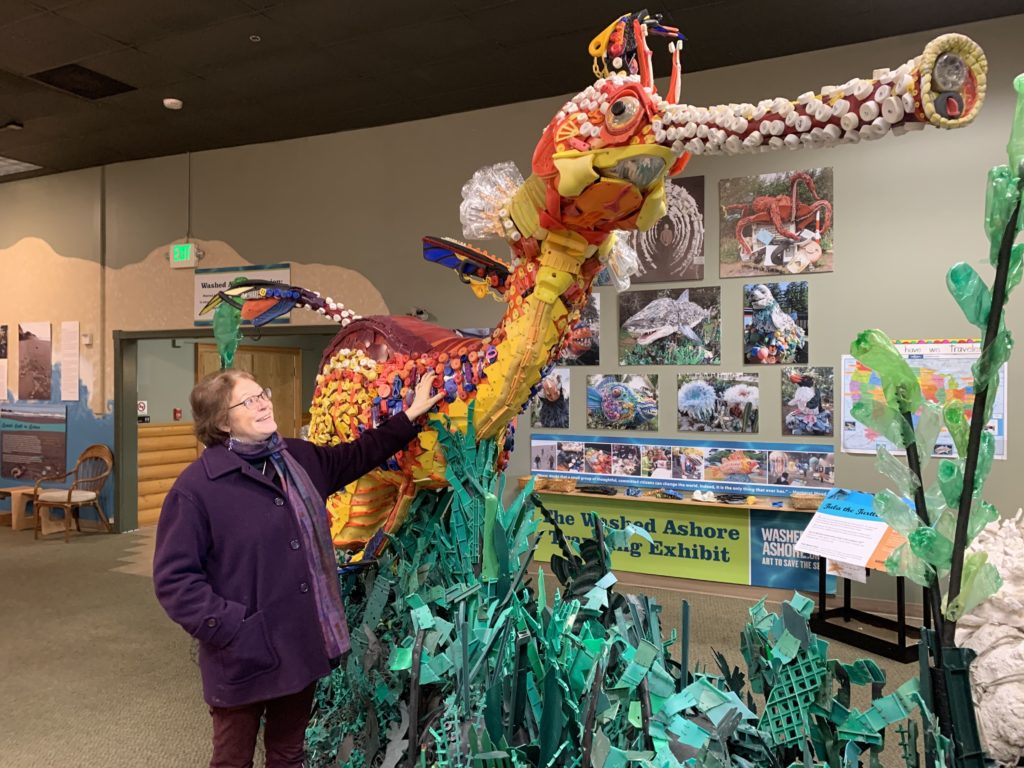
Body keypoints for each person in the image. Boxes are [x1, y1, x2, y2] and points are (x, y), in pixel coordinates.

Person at [153, 369, 443, 768]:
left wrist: (408, 417)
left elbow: (357, 454)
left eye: (263, 394)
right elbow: (174, 581)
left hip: (299, 644)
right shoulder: (197, 488)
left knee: (288, 754)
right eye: (248, 400)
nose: (264, 403)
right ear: (222, 422)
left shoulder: (297, 459)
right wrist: (234, 628)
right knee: (232, 759)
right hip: (242, 654)